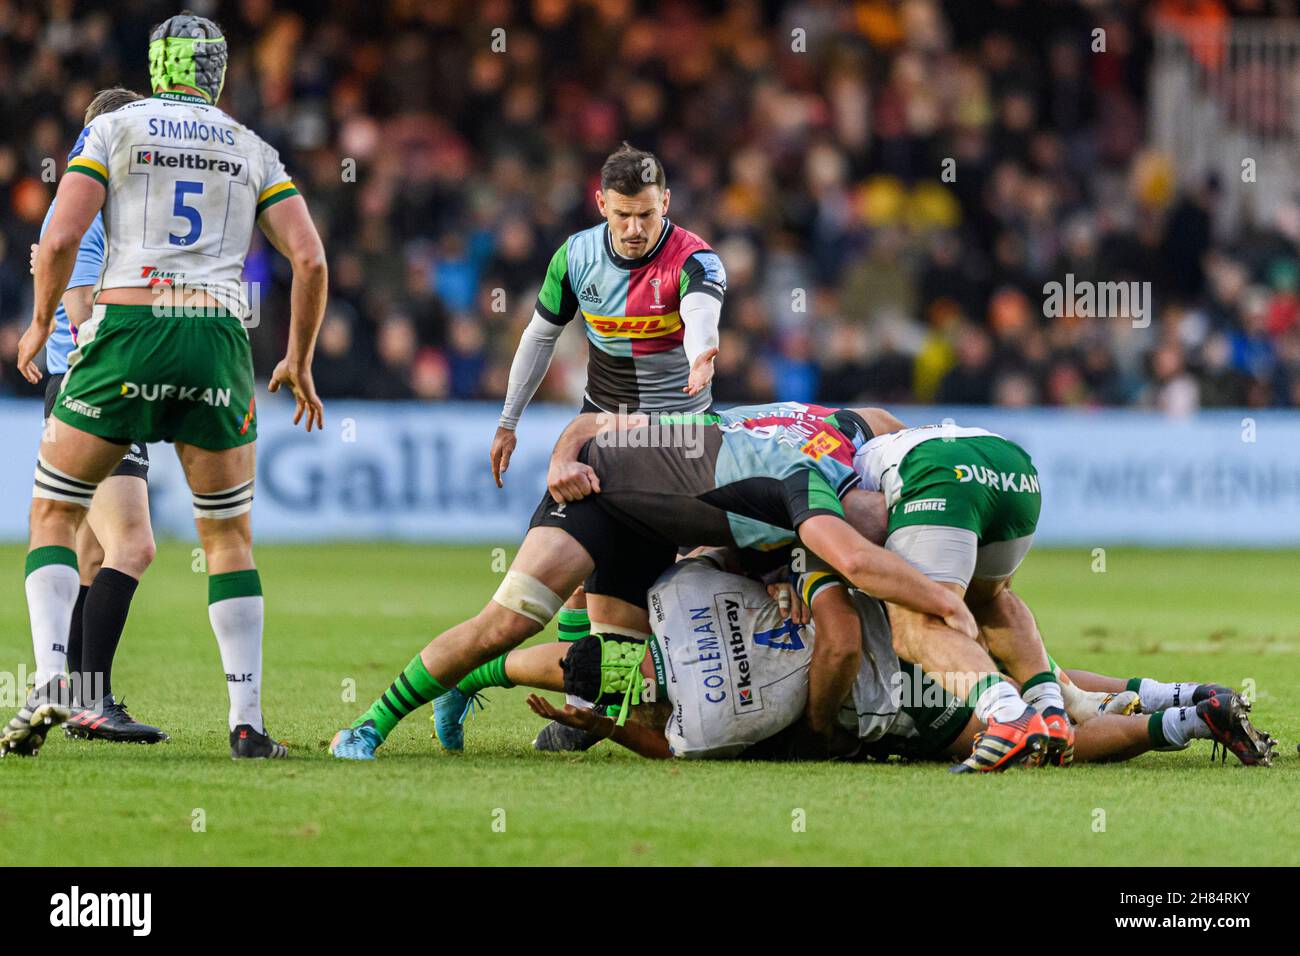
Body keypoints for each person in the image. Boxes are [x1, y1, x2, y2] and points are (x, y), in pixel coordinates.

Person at [3, 13, 327, 759]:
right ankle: (247, 723)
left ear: (155, 67)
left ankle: (56, 677)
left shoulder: (116, 129)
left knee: (54, 513)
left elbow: (57, 237)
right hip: (216, 339)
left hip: (128, 333)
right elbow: (309, 260)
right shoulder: (251, 146)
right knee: (227, 537)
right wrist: (299, 359)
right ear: (219, 73)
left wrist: (38, 322)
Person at [330, 403, 973, 761]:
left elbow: (756, 538)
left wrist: (782, 579)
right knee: (506, 622)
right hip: (597, 500)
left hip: (652, 533)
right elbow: (592, 423)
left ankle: (547, 705)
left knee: (630, 673)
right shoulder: (802, 480)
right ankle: (370, 725)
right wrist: (559, 461)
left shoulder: (839, 432)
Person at [482, 142, 727, 750]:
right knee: (573, 575)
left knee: (665, 585)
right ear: (602, 206)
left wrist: (703, 352)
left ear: (665, 202)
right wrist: (509, 419)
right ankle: (581, 708)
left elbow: (701, 312)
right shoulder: (575, 257)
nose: (636, 228)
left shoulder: (696, 259)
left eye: (646, 213)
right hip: (601, 429)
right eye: (623, 215)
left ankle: (596, 706)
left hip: (677, 442)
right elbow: (539, 338)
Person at [28, 87, 166, 744]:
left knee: (90, 553)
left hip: (103, 385)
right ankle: (89, 698)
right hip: (95, 388)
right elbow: (83, 314)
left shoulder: (123, 207)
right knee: (133, 545)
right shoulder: (86, 207)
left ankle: (84, 700)